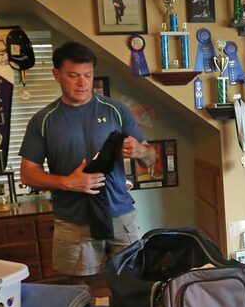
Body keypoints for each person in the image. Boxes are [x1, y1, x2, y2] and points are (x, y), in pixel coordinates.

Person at [19, 42, 156, 290]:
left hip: (120, 214)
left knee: (132, 282)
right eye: (73, 76)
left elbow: (151, 157)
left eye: (87, 75)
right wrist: (67, 182)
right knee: (78, 289)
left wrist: (140, 151)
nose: (82, 83)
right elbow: (28, 174)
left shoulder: (116, 110)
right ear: (57, 75)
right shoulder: (43, 120)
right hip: (73, 219)